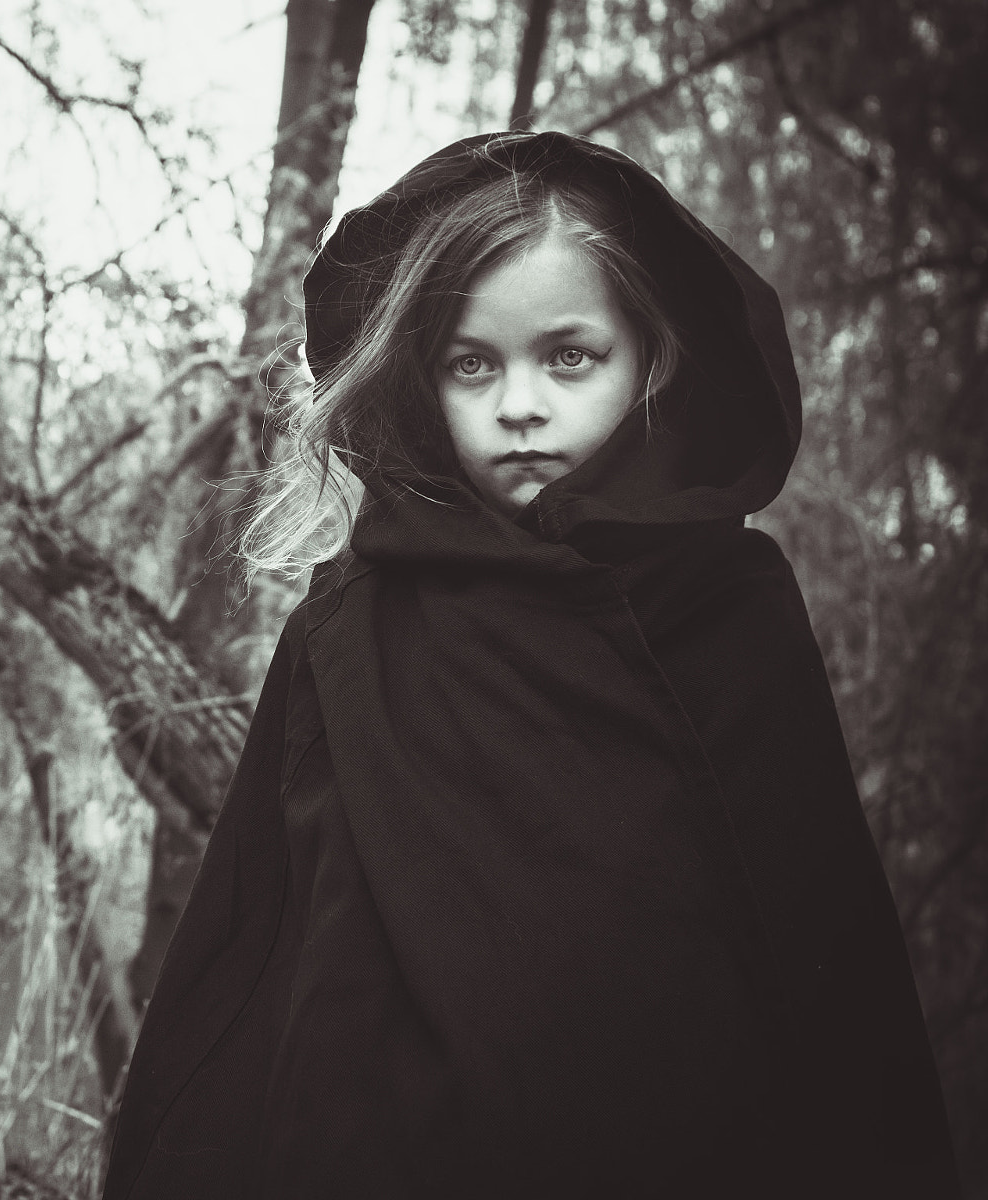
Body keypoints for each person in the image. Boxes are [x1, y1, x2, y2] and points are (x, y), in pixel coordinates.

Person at [99, 130, 961, 1199]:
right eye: (472, 362)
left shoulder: (729, 611)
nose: (519, 404)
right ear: (421, 380)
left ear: (651, 356)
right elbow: (258, 947)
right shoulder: (355, 621)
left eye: (568, 356)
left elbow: (821, 956)